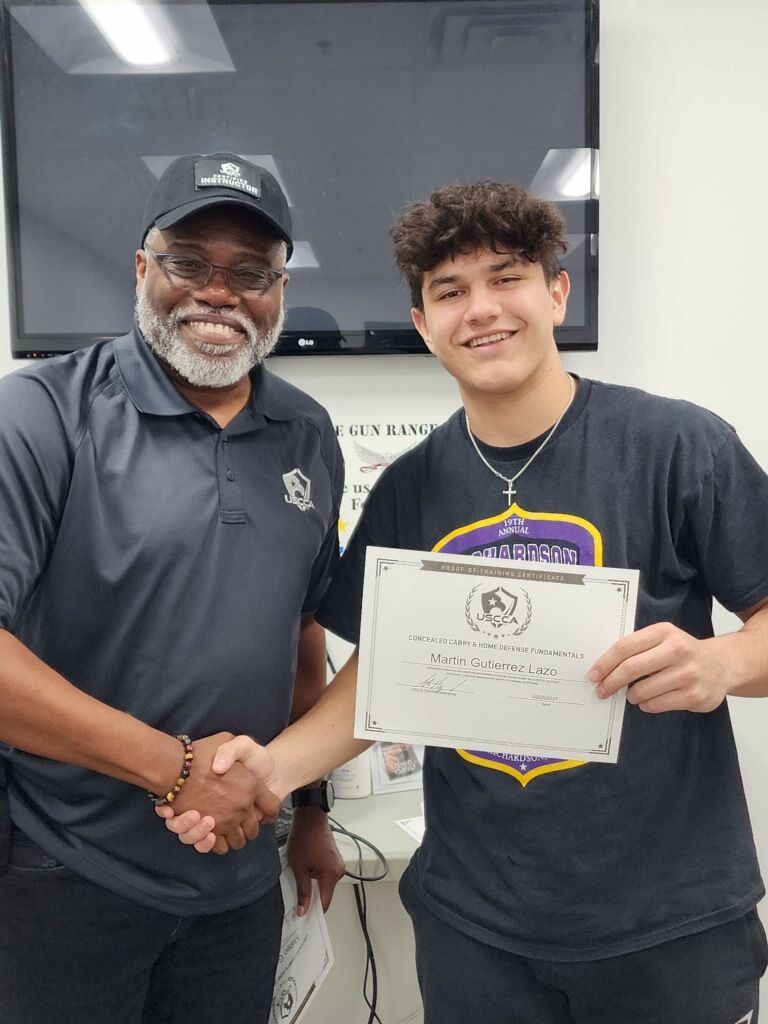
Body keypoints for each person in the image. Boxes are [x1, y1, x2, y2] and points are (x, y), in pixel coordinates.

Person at [167, 180, 768, 1022]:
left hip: (666, 924)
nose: (481, 309)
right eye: (450, 292)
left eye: (507, 277)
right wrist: (275, 770)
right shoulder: (411, 490)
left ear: (556, 292)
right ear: (423, 325)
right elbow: (385, 680)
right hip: (475, 927)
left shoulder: (677, 444)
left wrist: (722, 661)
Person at [0, 152, 346, 1024]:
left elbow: (300, 636)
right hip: (63, 874)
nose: (219, 293)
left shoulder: (306, 433)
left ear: (279, 289)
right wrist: (177, 770)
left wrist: (311, 812)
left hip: (237, 887)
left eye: (252, 273)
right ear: (143, 266)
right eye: (190, 261)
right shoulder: (41, 414)